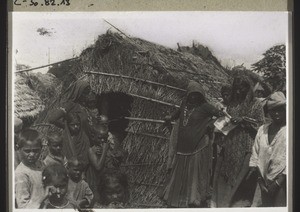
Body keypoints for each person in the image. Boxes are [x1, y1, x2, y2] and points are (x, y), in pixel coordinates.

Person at [162, 80, 224, 208]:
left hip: (197, 145)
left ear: (201, 95)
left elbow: (222, 115)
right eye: (192, 94)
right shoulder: (184, 104)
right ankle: (176, 200)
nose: (194, 97)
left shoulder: (205, 106)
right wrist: (170, 118)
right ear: (188, 94)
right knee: (179, 174)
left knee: (193, 175)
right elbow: (178, 113)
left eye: (197, 94)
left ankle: (193, 200)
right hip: (182, 145)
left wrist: (212, 124)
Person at [212, 75, 265, 207]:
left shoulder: (256, 104)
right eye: (236, 89)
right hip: (230, 142)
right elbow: (227, 119)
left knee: (239, 178)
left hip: (246, 144)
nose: (238, 92)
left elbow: (261, 125)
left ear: (248, 89)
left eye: (241, 89)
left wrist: (243, 120)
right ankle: (220, 204)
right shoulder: (233, 102)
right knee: (225, 174)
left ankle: (231, 204)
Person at [248, 91, 286, 207]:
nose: (277, 113)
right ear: (269, 112)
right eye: (274, 110)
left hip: (283, 181)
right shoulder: (262, 130)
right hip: (263, 181)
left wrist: (278, 183)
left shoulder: (289, 131)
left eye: (280, 109)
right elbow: (255, 154)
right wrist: (260, 181)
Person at [15, 129, 46, 208]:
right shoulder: (21, 174)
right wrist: (41, 199)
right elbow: (23, 206)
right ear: (18, 149)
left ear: (41, 148)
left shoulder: (41, 164)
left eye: (36, 151)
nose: (32, 154)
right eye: (27, 151)